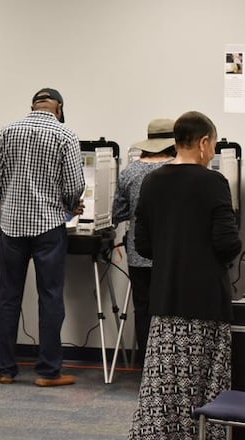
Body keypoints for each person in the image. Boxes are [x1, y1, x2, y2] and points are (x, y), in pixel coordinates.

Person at [128, 111, 241, 439]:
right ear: (204, 143)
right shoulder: (214, 183)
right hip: (205, 302)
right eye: (215, 144)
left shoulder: (152, 181)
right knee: (205, 383)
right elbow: (227, 243)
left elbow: (143, 244)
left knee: (167, 385)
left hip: (165, 301)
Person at [0, 88, 85, 387]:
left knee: (8, 298)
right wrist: (69, 205)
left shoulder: (8, 131)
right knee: (50, 297)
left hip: (11, 227)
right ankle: (47, 372)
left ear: (32, 106)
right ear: (59, 108)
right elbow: (74, 184)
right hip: (48, 226)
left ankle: (4, 369)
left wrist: (13, 202)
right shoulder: (64, 134)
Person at [111, 118, 176, 366]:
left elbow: (118, 213)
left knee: (143, 307)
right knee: (171, 309)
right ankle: (167, 365)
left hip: (139, 252)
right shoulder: (177, 169)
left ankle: (146, 366)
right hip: (172, 253)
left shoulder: (130, 171)